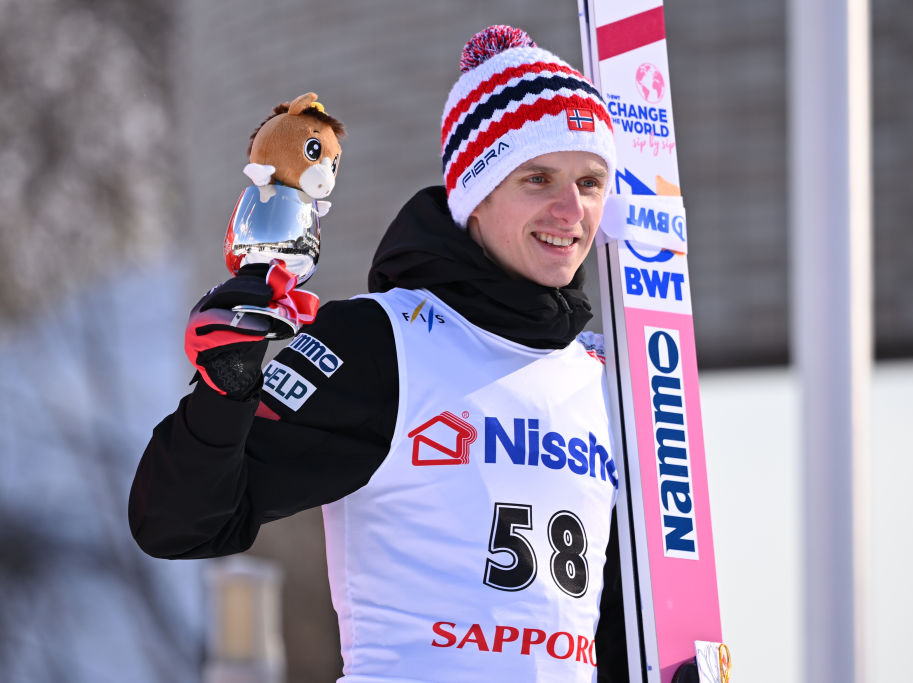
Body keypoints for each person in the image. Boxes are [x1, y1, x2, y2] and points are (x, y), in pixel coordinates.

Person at [130, 25, 627, 683]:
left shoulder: (602, 379)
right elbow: (176, 522)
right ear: (475, 193)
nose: (571, 210)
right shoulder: (382, 343)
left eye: (590, 183)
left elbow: (612, 625)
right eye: (538, 178)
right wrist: (225, 394)